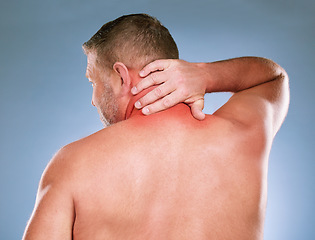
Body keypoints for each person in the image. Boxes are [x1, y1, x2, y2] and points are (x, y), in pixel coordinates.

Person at [23, 13, 289, 240]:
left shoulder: (73, 163)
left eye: (93, 82)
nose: (93, 100)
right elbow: (273, 77)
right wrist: (206, 74)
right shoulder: (241, 135)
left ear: (121, 76)